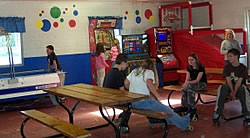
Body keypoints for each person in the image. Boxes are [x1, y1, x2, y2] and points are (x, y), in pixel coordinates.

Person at [124, 59, 193, 131]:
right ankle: (184, 123)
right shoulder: (149, 72)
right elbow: (149, 83)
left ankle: (170, 121)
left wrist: (134, 89)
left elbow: (126, 83)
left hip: (133, 102)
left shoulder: (135, 71)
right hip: (143, 102)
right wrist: (158, 96)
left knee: (160, 106)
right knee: (167, 109)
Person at [213, 48, 250, 126]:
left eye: (230, 56)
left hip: (239, 87)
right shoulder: (227, 67)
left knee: (244, 90)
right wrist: (232, 91)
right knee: (222, 88)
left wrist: (234, 93)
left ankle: (247, 113)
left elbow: (239, 82)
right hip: (229, 87)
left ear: (236, 57)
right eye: (228, 56)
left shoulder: (243, 68)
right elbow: (228, 80)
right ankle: (218, 112)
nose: (228, 58)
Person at [103, 53, 129, 132]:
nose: (127, 65)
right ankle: (123, 125)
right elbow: (122, 91)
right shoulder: (119, 74)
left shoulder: (109, 72)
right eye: (127, 63)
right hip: (114, 99)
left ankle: (121, 117)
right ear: (123, 63)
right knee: (131, 104)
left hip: (106, 97)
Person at [179, 54, 207, 120]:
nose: (190, 61)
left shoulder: (200, 67)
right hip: (192, 83)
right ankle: (185, 106)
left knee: (190, 88)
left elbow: (197, 80)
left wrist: (188, 83)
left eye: (192, 60)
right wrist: (185, 84)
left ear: (196, 60)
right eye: (189, 60)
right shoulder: (189, 67)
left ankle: (192, 107)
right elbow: (187, 78)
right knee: (184, 87)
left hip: (202, 84)